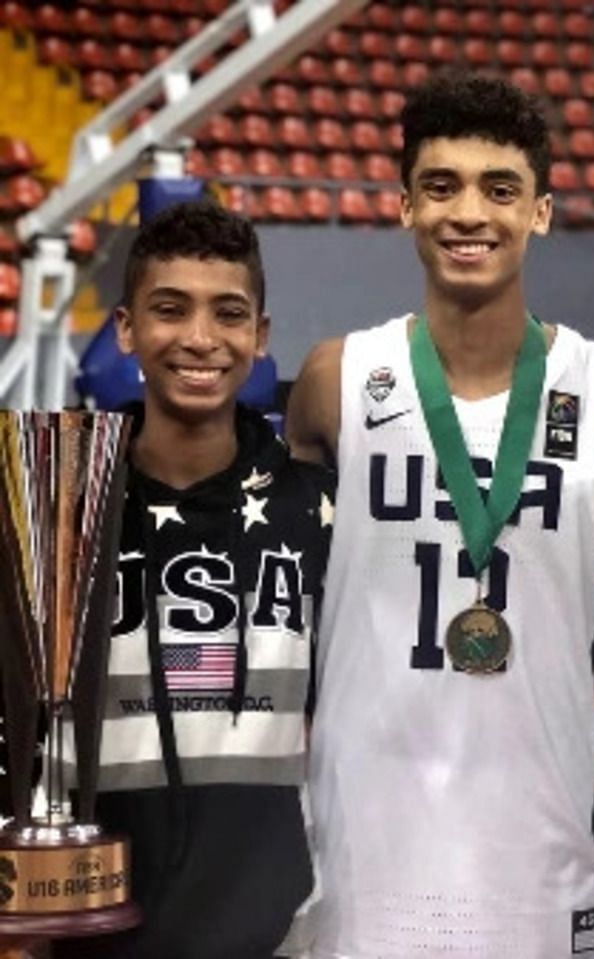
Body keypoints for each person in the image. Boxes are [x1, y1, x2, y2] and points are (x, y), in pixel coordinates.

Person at [283, 72, 594, 957]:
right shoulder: (336, 383)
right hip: (363, 839)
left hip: (539, 842)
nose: (470, 214)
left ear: (542, 212)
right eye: (441, 185)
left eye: (501, 189)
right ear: (403, 204)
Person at [54, 201, 335, 959]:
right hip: (84, 926)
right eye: (170, 309)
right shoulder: (60, 503)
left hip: (268, 932)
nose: (201, 338)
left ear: (261, 337)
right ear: (125, 328)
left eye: (229, 313)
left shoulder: (316, 506)